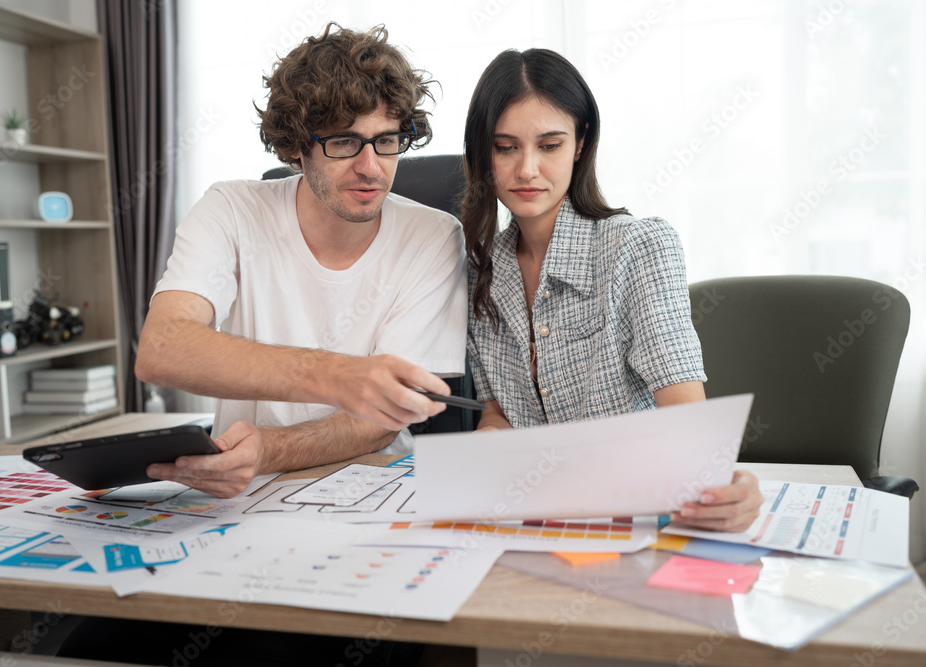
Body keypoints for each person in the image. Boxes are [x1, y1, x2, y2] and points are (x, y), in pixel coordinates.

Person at [135, 23, 467, 499]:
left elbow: (380, 421)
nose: (371, 167)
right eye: (344, 142)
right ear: (295, 146)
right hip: (240, 495)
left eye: (387, 140)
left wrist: (271, 449)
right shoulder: (230, 210)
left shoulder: (433, 236)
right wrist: (337, 376)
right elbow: (162, 348)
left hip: (376, 486)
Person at [461, 48, 762, 532]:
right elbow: (502, 412)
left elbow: (687, 424)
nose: (527, 170)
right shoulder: (480, 275)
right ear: (482, 153)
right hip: (537, 521)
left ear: (580, 144)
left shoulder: (639, 247)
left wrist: (722, 484)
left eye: (550, 145)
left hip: (640, 516)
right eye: (506, 147)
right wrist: (481, 452)